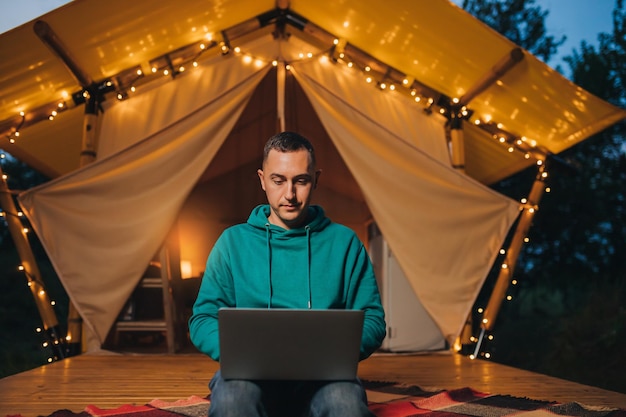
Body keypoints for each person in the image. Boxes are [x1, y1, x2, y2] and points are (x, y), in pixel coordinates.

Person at [189, 131, 386, 417]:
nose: (290, 195)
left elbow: (373, 318)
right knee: (233, 402)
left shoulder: (345, 243)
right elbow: (202, 317)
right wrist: (239, 354)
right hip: (248, 376)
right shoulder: (232, 242)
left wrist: (336, 353)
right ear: (262, 180)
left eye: (301, 181)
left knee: (346, 406)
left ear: (315, 179)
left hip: (326, 377)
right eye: (278, 181)